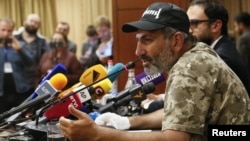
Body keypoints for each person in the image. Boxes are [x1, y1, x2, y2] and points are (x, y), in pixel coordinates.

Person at [59, 2, 250, 141]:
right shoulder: (197, 51)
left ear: (176, 41)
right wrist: (128, 123)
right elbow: (180, 113)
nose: (138, 51)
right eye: (138, 40)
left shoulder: (188, 68)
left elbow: (175, 138)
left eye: (147, 40)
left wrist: (99, 135)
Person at [187, 0, 250, 95]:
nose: (189, 30)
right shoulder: (222, 47)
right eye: (188, 24)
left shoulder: (220, 58)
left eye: (194, 23)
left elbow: (197, 100)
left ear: (215, 26)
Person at [0, 18, 35, 114]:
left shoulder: (21, 44)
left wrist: (20, 50)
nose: (6, 33)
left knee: (20, 118)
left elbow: (31, 64)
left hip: (19, 90)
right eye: (3, 30)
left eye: (9, 31)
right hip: (1, 92)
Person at [14, 13, 50, 93]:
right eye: (31, 21)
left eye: (36, 23)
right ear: (24, 22)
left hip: (34, 82)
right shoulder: (14, 38)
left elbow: (46, 61)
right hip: (15, 81)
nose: (33, 24)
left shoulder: (43, 42)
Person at [234, 12, 250, 82]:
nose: (235, 29)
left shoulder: (243, 39)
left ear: (241, 25)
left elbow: (241, 62)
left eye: (235, 26)